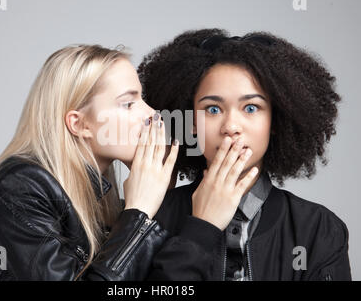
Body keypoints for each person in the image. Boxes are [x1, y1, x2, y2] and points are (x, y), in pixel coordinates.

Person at [0, 44, 179, 280]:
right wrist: (139, 212)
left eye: (142, 99)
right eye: (128, 104)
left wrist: (161, 201)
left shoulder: (102, 201)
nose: (152, 114)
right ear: (78, 124)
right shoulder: (21, 188)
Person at [139, 28, 352, 280]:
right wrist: (200, 229)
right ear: (191, 122)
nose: (230, 126)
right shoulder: (150, 219)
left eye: (251, 107)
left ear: (274, 121)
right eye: (213, 109)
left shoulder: (319, 229)